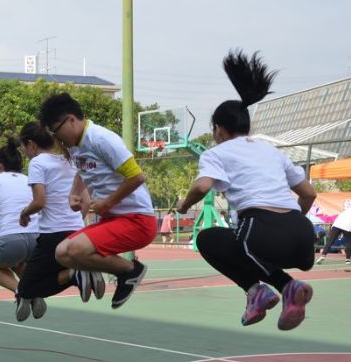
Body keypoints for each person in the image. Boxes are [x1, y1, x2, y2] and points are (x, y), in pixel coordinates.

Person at [177, 50, 317, 331]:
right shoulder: (271, 151)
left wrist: (184, 205)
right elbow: (310, 194)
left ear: (218, 130)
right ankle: (268, 291)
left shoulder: (217, 153)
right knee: (246, 242)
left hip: (261, 230)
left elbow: (203, 186)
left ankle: (265, 290)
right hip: (303, 237)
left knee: (208, 240)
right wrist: (289, 224)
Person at [39, 92, 157, 309]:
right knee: (61, 253)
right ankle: (89, 270)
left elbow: (137, 177)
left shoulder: (101, 138)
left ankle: (130, 270)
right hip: (112, 220)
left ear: (71, 120)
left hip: (137, 220)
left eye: (56, 131)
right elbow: (82, 169)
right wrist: (74, 193)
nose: (57, 138)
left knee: (73, 250)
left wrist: (108, 203)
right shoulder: (76, 144)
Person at [15, 121, 88, 322]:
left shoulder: (37, 163)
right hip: (77, 232)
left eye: (23, 148)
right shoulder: (69, 161)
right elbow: (86, 200)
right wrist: (75, 221)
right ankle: (76, 274)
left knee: (26, 288)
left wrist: (24, 214)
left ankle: (75, 275)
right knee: (49, 277)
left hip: (52, 235)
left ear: (31, 144)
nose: (25, 153)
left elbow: (39, 201)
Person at [0, 137, 40, 294]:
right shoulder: (30, 180)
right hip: (37, 238)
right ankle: (33, 293)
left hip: (11, 236)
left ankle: (21, 292)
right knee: (17, 262)